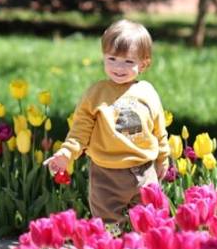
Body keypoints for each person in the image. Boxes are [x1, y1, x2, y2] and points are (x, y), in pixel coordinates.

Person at [44, 19, 170, 226]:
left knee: (150, 219)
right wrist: (67, 153)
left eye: (128, 61)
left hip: (144, 170)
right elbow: (80, 130)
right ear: (103, 57)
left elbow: (159, 129)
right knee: (108, 223)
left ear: (143, 64)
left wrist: (163, 157)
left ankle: (146, 245)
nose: (118, 67)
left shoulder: (147, 92)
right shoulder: (96, 94)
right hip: (106, 174)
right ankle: (111, 245)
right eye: (112, 59)